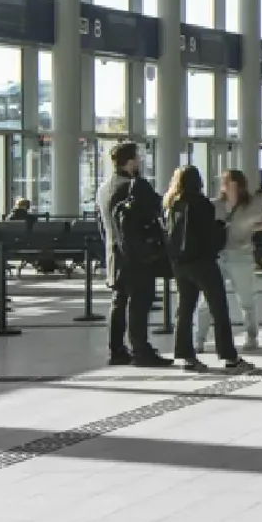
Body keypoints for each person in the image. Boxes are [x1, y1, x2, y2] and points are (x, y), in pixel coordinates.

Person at [162, 166, 250, 373]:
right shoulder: (201, 203)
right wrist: (220, 229)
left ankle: (186, 356)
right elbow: (208, 236)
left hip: (180, 264)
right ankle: (229, 356)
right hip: (203, 262)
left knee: (184, 309)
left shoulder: (172, 204)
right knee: (219, 308)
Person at [99, 141, 169, 368]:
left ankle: (117, 349)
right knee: (140, 302)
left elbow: (103, 225)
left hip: (114, 254)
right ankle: (141, 350)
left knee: (119, 301)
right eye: (138, 158)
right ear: (130, 162)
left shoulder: (103, 188)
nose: (140, 162)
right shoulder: (133, 187)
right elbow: (153, 214)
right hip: (136, 256)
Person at [198, 170, 262, 354]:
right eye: (224, 182)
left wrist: (255, 227)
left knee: (247, 298)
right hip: (217, 256)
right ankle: (199, 339)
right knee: (206, 301)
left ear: (238, 185)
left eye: (228, 182)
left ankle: (251, 335)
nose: (225, 186)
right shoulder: (214, 205)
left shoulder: (251, 206)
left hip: (241, 255)